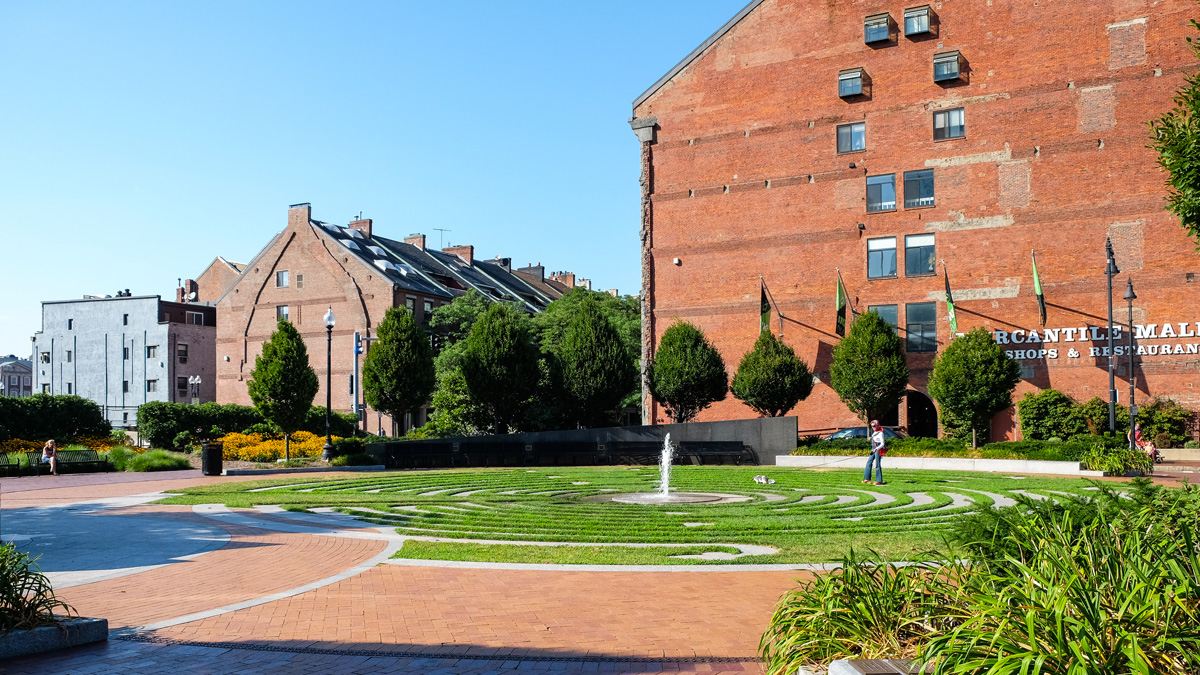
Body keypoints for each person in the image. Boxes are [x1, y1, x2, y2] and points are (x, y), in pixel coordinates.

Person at [862, 420, 886, 486]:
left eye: (874, 426)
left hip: (878, 449)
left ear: (877, 425)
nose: (873, 427)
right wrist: (871, 438)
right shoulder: (875, 432)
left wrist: (876, 449)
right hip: (873, 449)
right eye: (872, 426)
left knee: (877, 464)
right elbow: (874, 438)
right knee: (869, 462)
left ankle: (879, 481)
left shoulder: (880, 433)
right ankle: (867, 478)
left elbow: (882, 444)